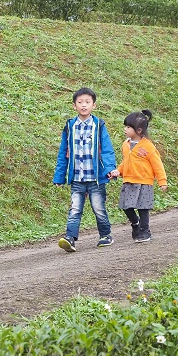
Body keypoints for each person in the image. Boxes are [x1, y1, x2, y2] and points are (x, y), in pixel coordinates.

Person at [53, 87, 117, 252]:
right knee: (75, 209)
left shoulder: (99, 125)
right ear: (74, 106)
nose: (83, 105)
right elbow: (63, 153)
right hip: (77, 178)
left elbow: (107, 149)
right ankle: (70, 238)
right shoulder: (70, 126)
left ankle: (105, 235)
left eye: (87, 102)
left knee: (99, 208)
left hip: (95, 178)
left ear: (93, 105)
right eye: (80, 102)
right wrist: (59, 176)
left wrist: (110, 169)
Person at [109, 109, 167, 242]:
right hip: (129, 181)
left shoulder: (148, 146)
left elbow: (157, 164)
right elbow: (126, 161)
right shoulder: (126, 144)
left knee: (143, 208)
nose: (125, 129)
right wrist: (119, 171)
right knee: (126, 206)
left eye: (128, 127)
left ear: (139, 130)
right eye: (126, 126)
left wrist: (162, 181)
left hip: (144, 182)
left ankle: (145, 231)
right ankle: (135, 223)